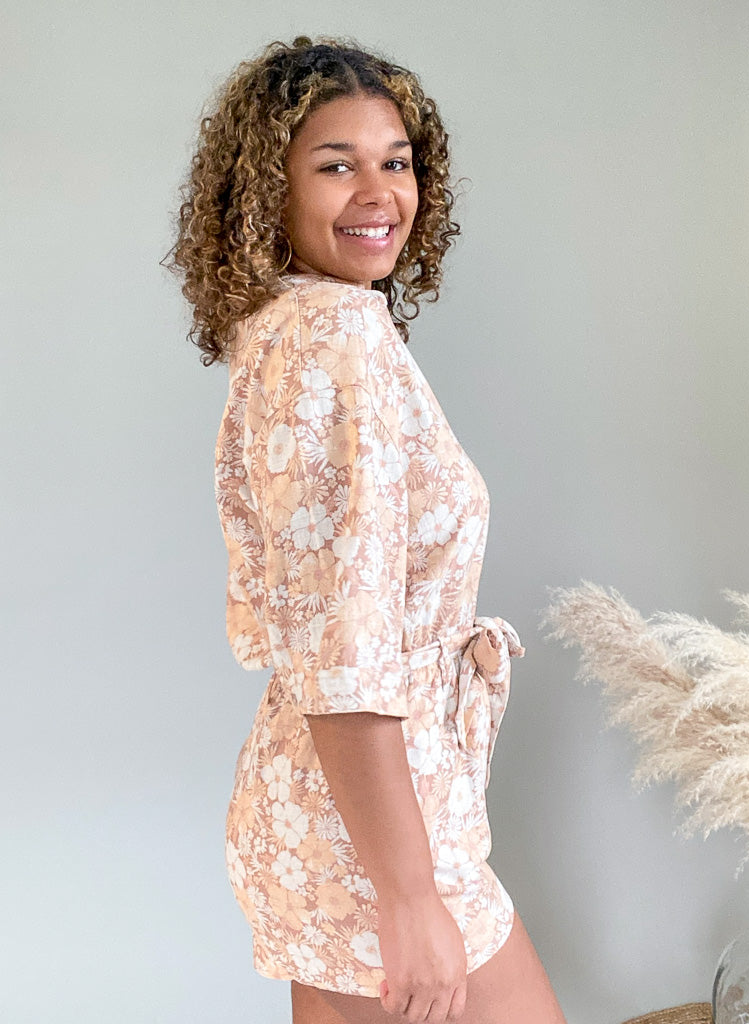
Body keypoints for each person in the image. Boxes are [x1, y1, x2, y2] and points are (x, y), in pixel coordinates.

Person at [166, 36, 568, 1024]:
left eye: (397, 161)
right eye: (336, 165)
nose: (380, 193)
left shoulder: (285, 326)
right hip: (378, 833)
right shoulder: (336, 337)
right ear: (269, 190)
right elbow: (342, 651)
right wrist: (410, 895)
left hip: (332, 809)